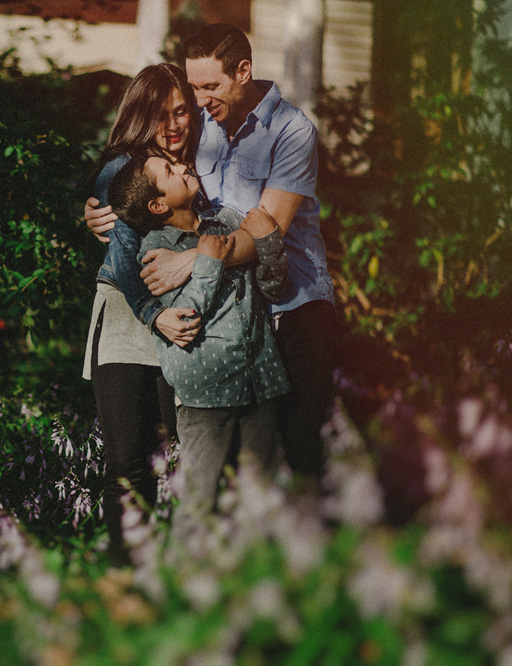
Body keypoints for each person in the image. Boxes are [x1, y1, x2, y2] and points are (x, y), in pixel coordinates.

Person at [85, 24, 335, 484]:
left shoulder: (292, 131)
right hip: (228, 310)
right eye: (193, 88)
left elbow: (269, 228)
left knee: (299, 452)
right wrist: (104, 208)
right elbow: (144, 202)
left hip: (292, 301)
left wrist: (194, 260)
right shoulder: (202, 131)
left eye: (207, 88)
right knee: (226, 456)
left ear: (243, 72)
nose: (197, 104)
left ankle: (311, 547)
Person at [108, 152, 289, 544]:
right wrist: (206, 264)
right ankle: (184, 586)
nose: (184, 167)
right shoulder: (153, 252)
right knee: (199, 503)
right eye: (170, 172)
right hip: (207, 397)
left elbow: (273, 290)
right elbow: (182, 322)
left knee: (262, 499)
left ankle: (257, 588)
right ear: (157, 204)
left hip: (260, 382)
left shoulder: (225, 223)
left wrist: (267, 242)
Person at [81, 64, 201, 565]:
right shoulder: (125, 168)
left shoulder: (191, 166)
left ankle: (166, 574)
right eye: (160, 115)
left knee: (174, 457)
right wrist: (155, 316)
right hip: (130, 326)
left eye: (181, 112)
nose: (173, 125)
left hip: (181, 324)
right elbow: (122, 256)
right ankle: (124, 579)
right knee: (129, 462)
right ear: (139, 116)